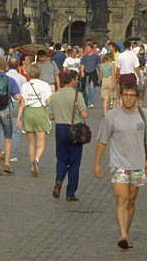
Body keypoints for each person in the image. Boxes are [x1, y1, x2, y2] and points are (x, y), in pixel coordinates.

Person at [92, 81, 147, 250]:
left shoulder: (144, 115)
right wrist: (97, 162)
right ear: (121, 96)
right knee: (122, 199)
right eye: (125, 95)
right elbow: (102, 140)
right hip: (118, 164)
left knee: (132, 201)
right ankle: (123, 235)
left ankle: (125, 232)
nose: (128, 98)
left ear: (136, 97)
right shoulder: (111, 116)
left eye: (131, 95)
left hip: (138, 164)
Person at [50, 69, 88, 201]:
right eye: (76, 79)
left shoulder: (54, 95)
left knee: (61, 159)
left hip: (60, 128)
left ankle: (59, 180)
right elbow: (84, 115)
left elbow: (50, 115)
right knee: (74, 163)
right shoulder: (77, 95)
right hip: (75, 129)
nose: (77, 81)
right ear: (71, 80)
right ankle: (70, 193)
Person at [16, 62, 51, 177]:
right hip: (40, 111)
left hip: (29, 112)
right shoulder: (45, 85)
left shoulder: (25, 86)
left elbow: (22, 103)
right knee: (41, 143)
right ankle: (37, 159)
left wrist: (18, 119)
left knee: (31, 143)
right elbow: (48, 102)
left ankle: (32, 165)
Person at [5, 57, 28, 163]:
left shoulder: (4, 76)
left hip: (4, 104)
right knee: (16, 130)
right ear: (18, 65)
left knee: (2, 129)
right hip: (16, 104)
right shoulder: (22, 78)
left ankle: (3, 150)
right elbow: (24, 94)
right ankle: (12, 154)